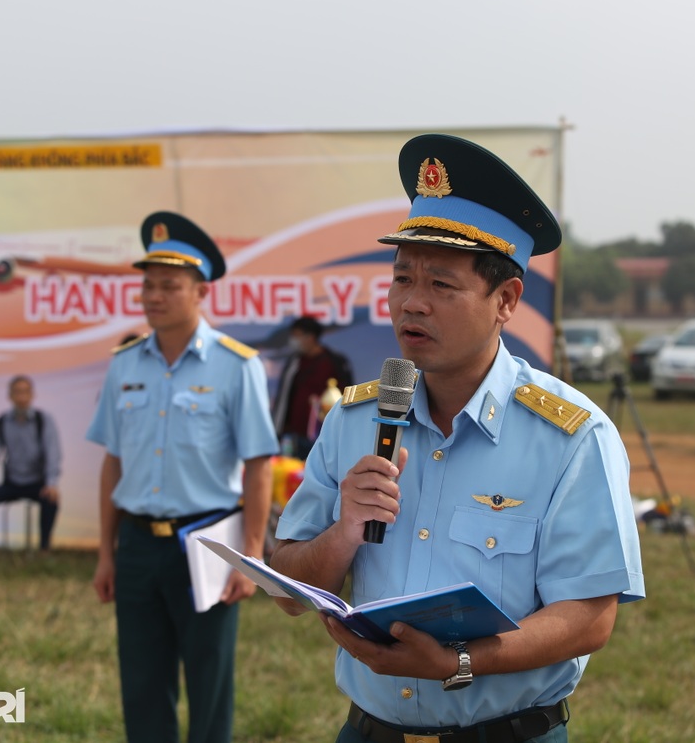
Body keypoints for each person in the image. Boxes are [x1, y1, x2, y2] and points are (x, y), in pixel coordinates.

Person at [270, 134, 645, 742]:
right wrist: (341, 533)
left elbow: (590, 618)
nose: (411, 304)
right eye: (401, 279)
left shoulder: (571, 437)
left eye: (442, 286)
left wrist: (460, 663)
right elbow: (287, 586)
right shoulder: (355, 420)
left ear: (506, 300)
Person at [86, 210, 278, 743]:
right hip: (138, 546)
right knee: (142, 685)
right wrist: (107, 551)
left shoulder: (235, 365)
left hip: (208, 543)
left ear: (201, 293)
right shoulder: (124, 364)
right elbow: (113, 462)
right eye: (148, 285)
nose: (153, 296)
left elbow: (259, 462)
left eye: (169, 286)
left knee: (209, 682)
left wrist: (253, 554)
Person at [0, 375, 62, 551]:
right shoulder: (2, 422)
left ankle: (44, 548)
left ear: (32, 395)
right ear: (10, 396)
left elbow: (53, 454)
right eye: (17, 392)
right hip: (12, 482)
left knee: (51, 500)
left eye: (25, 392)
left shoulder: (43, 421)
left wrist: (52, 483)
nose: (22, 397)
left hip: (37, 483)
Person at [272, 315, 354, 459]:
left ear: (310, 337)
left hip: (324, 435)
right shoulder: (294, 362)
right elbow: (284, 397)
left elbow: (348, 396)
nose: (293, 341)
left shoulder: (335, 362)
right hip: (294, 435)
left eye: (296, 336)